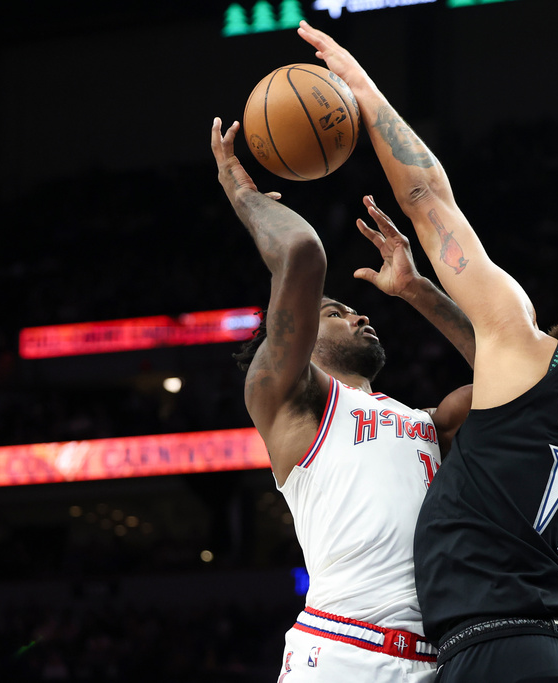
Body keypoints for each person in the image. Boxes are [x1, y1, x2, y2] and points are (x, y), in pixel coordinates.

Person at [298, 23, 558, 683]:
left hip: (499, 647)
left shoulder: (529, 347)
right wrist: (420, 292)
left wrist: (362, 87)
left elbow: (426, 197)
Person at [211, 116, 474, 682]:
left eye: (354, 310)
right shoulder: (291, 399)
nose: (359, 314)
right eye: (335, 312)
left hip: (438, 661)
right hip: (344, 650)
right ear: (301, 340)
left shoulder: (427, 423)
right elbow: (302, 251)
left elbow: (521, 378)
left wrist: (418, 291)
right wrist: (244, 197)